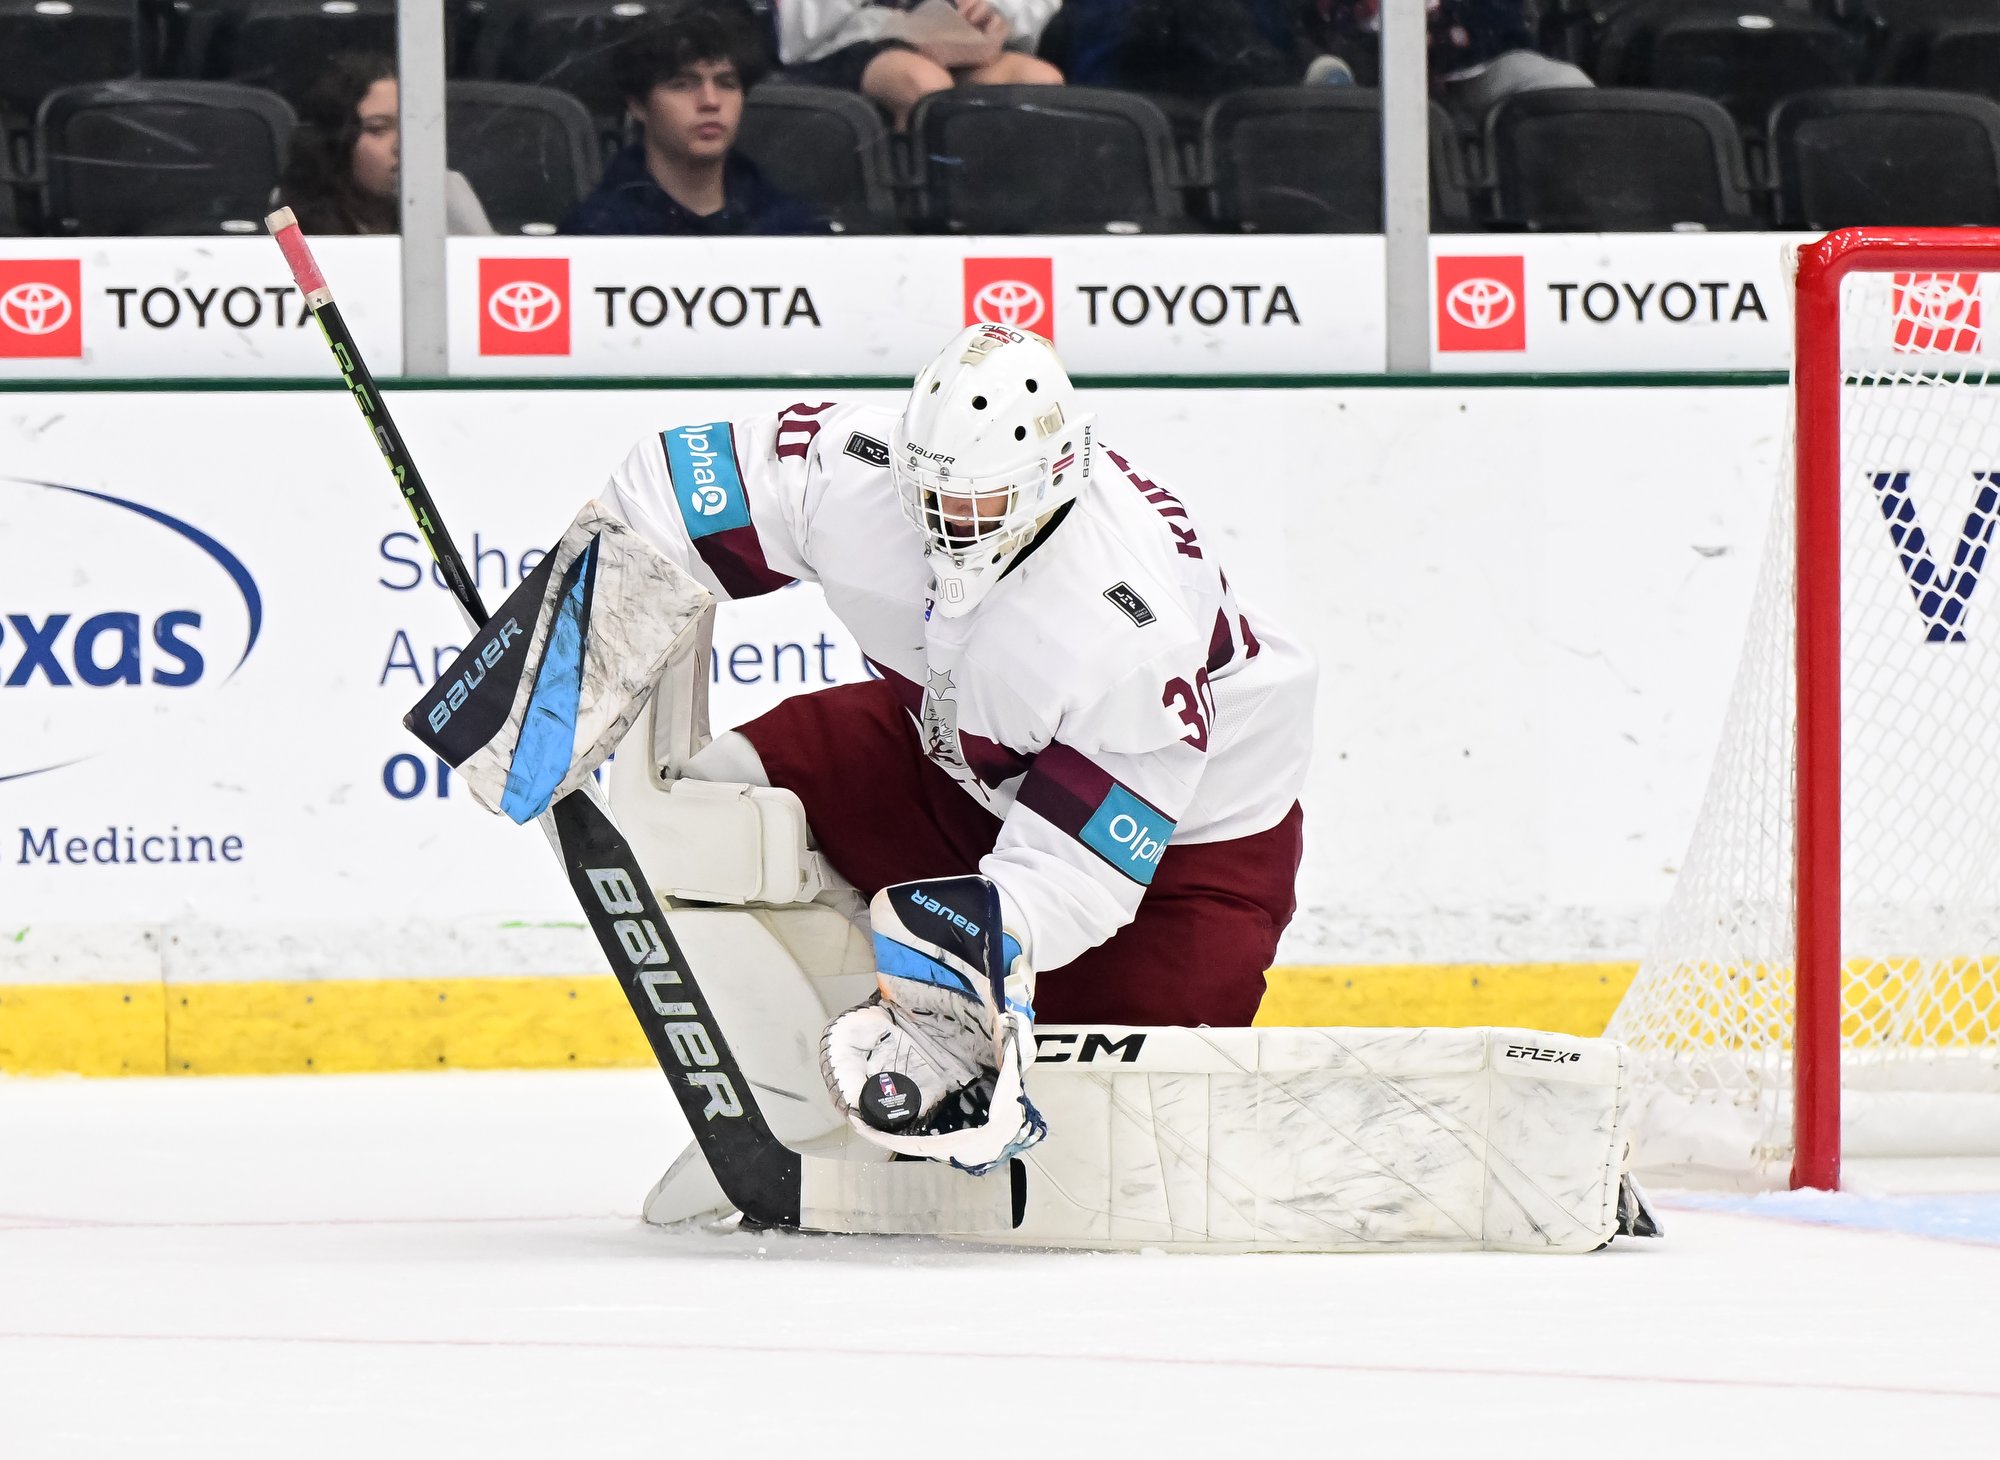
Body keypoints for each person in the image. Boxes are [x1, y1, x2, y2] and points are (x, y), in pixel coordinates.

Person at [602, 323, 1315, 1189]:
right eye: (930, 493)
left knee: (1131, 1134)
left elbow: (1075, 874)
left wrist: (963, 967)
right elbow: (671, 486)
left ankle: (936, 1078)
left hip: (1183, 850)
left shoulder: (1127, 629)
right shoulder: (852, 470)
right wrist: (569, 649)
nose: (947, 524)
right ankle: (789, 1116)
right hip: (952, 760)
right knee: (710, 820)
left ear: (1055, 476)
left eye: (977, 502)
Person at [560, 7, 829, 235]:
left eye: (726, 83)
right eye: (683, 85)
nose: (710, 101)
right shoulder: (594, 231)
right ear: (638, 105)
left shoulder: (793, 226)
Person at [276, 53, 493, 235]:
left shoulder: (448, 195)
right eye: (378, 129)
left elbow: (493, 269)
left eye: (412, 127)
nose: (401, 146)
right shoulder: (292, 224)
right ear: (335, 140)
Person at [777, 0, 1064, 130]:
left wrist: (995, 7)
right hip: (855, 38)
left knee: (1037, 84)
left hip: (961, 37)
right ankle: (916, 226)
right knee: (923, 85)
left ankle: (1010, 225)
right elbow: (797, 29)